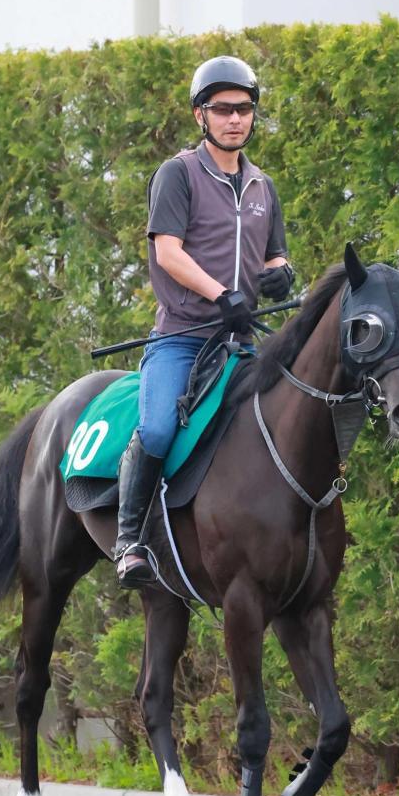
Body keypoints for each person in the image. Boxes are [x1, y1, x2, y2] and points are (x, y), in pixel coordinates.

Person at [114, 55, 293, 588]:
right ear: (201, 116)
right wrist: (221, 295)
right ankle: (129, 541)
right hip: (183, 339)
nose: (235, 119)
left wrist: (281, 275)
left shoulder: (263, 186)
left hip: (241, 343)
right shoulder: (178, 174)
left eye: (244, 110)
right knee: (160, 428)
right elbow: (168, 252)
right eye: (223, 110)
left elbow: (273, 258)